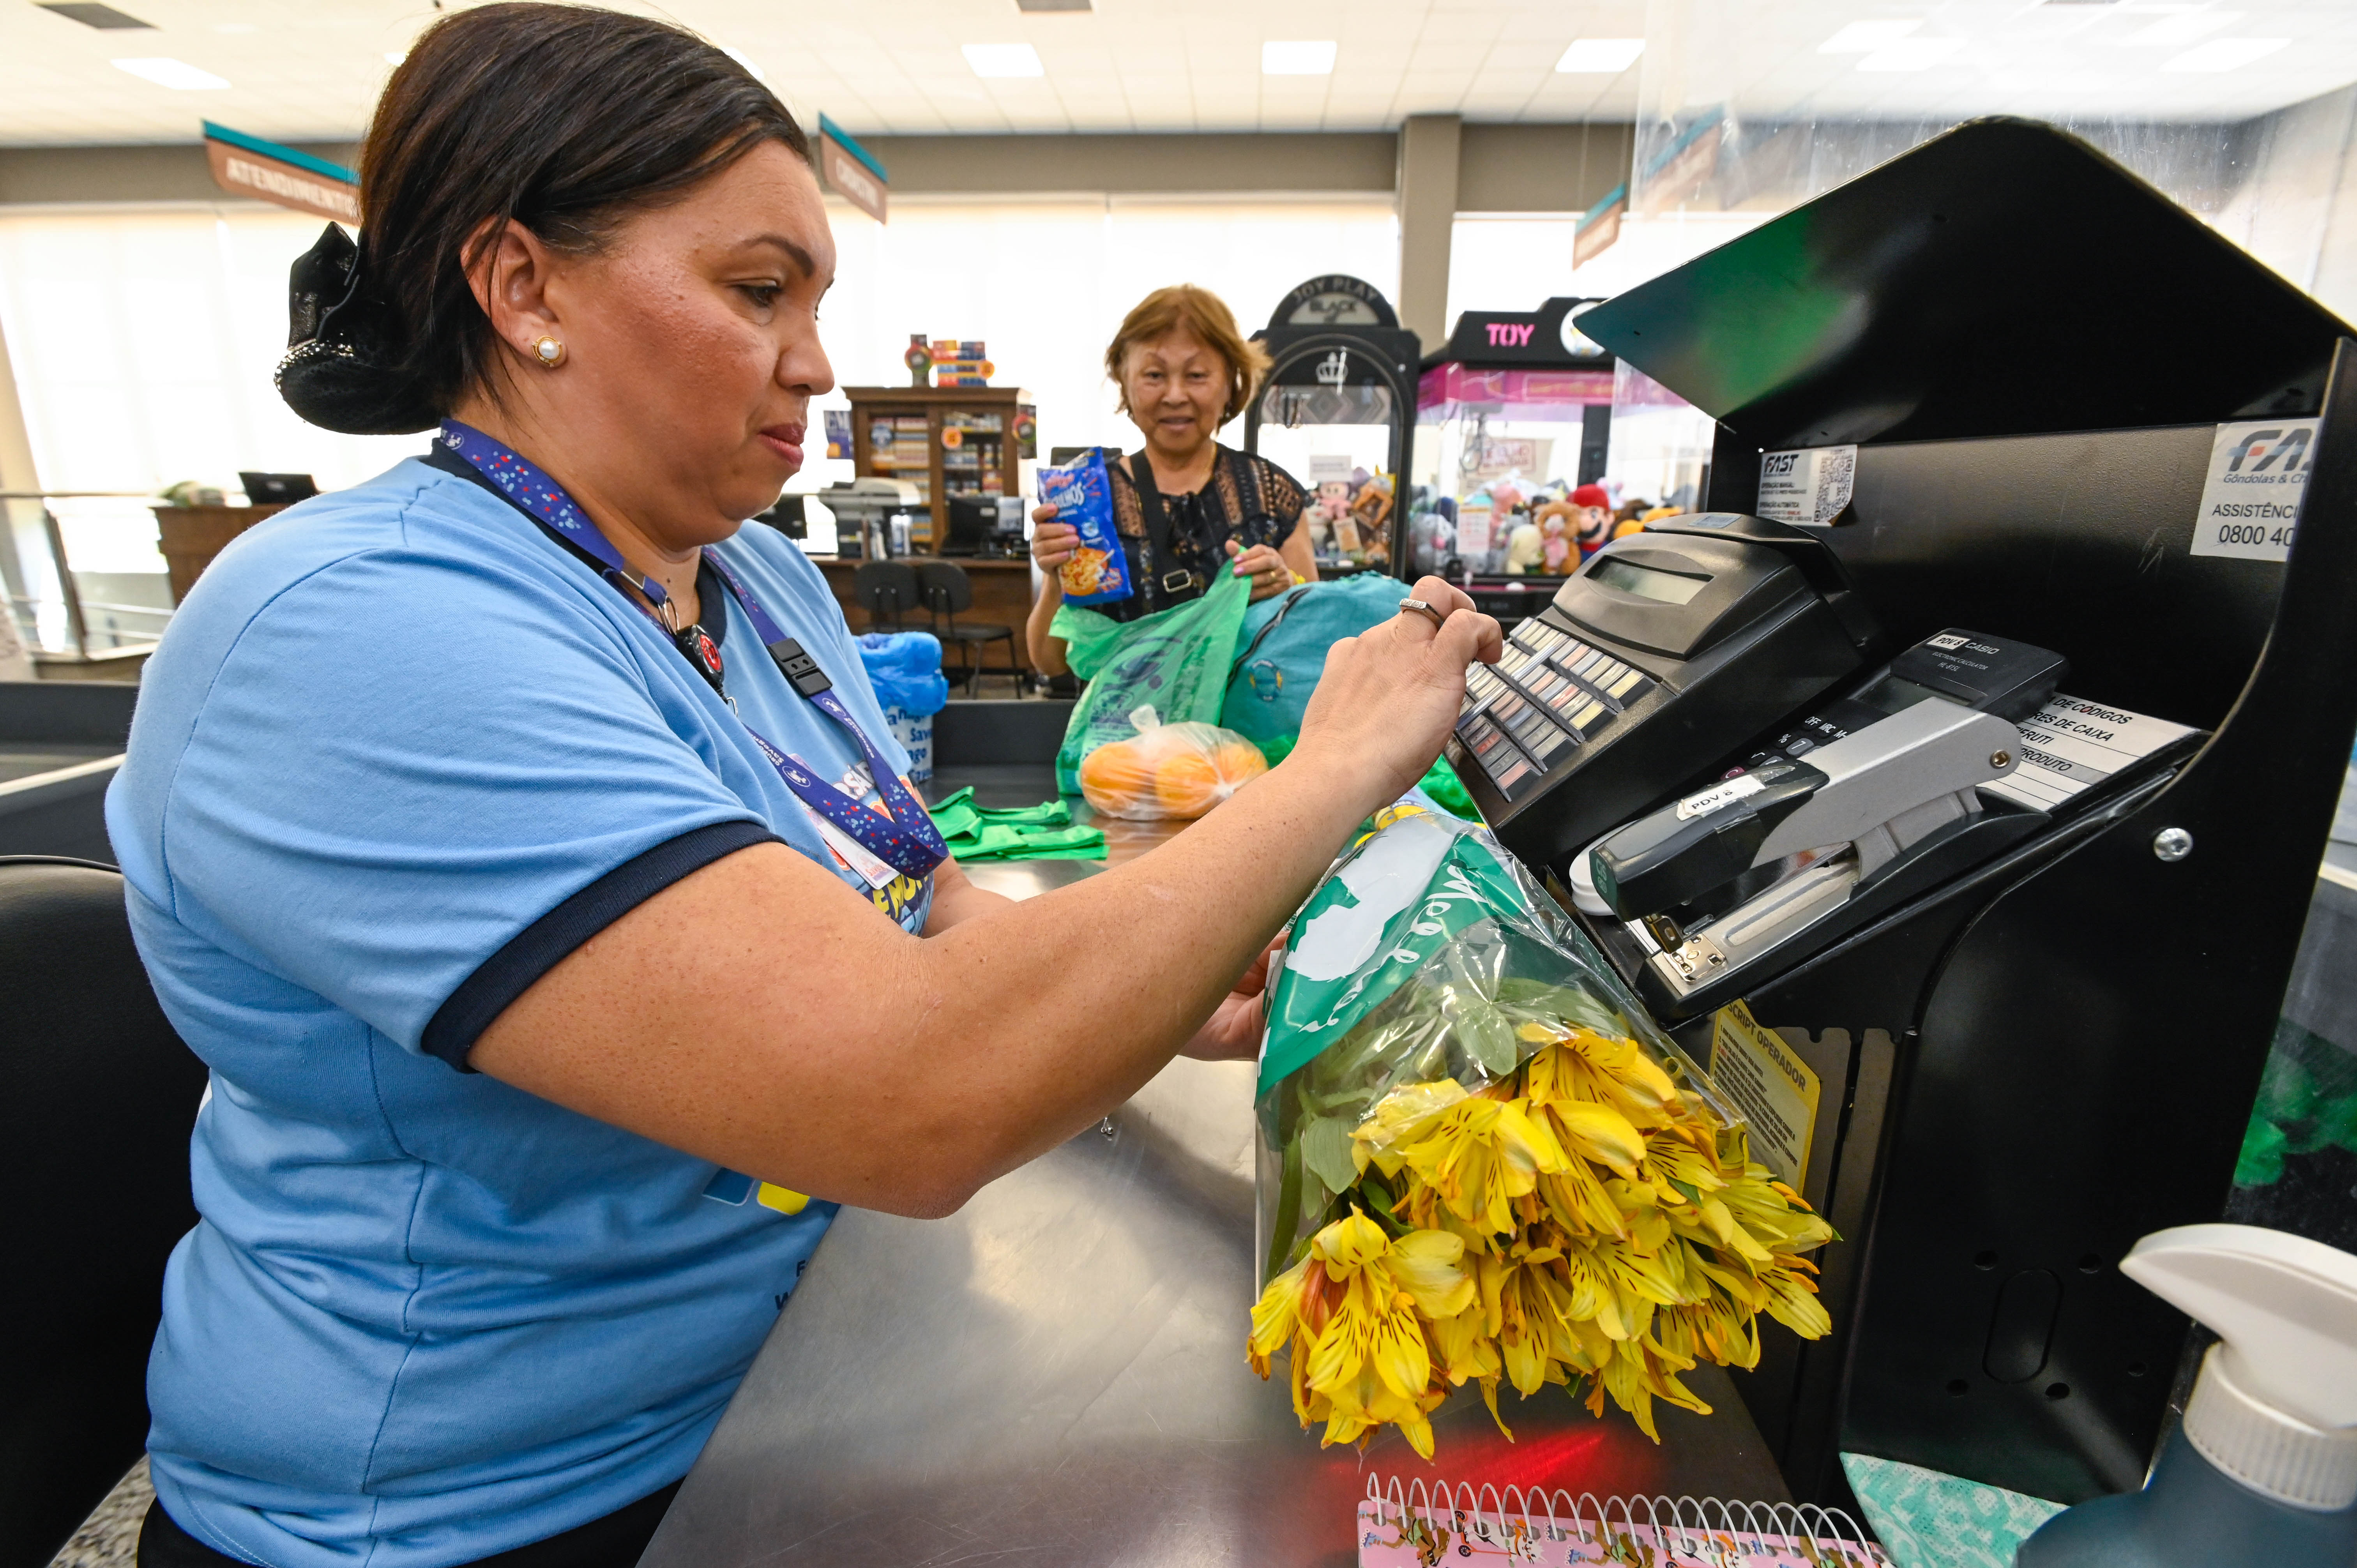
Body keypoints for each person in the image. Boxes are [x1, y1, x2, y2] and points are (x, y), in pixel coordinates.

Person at [110, 7, 1501, 1568]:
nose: (817, 359)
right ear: (522, 286)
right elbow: (903, 1088)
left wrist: (1157, 980)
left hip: (806, 1373)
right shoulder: (352, 632)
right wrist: (1341, 765)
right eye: (757, 289)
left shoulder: (753, 577)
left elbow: (929, 912)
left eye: (816, 296)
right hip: (497, 1500)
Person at [1024, 285, 1320, 675]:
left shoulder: (1271, 494)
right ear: (1124, 382)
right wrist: (1054, 574)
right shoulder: (1087, 500)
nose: (1175, 395)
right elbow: (1049, 662)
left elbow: (1317, 644)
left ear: (1230, 382)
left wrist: (1285, 590)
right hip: (1121, 732)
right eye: (1154, 375)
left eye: (1197, 375)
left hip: (1241, 735)